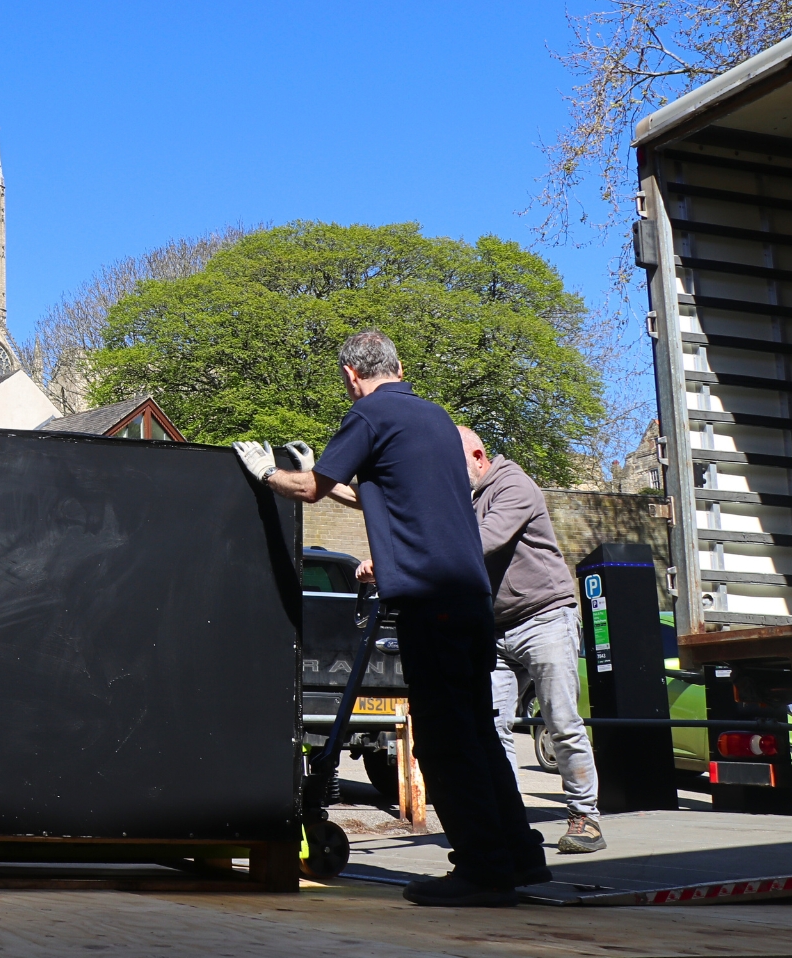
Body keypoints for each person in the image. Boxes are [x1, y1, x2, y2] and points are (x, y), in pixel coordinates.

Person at [234, 329, 546, 907]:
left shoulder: (369, 415)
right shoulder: (433, 419)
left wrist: (267, 474)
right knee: (479, 733)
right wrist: (332, 482)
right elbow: (387, 494)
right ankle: (520, 858)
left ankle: (482, 869)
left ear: (352, 375)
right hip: (473, 604)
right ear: (398, 366)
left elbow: (305, 490)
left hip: (431, 603)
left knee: (444, 740)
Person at [458, 425, 604, 854]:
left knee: (560, 720)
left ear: (478, 456)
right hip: (496, 627)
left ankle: (585, 818)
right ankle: (510, 821)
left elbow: (484, 541)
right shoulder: (464, 497)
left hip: (544, 617)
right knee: (492, 726)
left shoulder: (513, 484)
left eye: (452, 465)